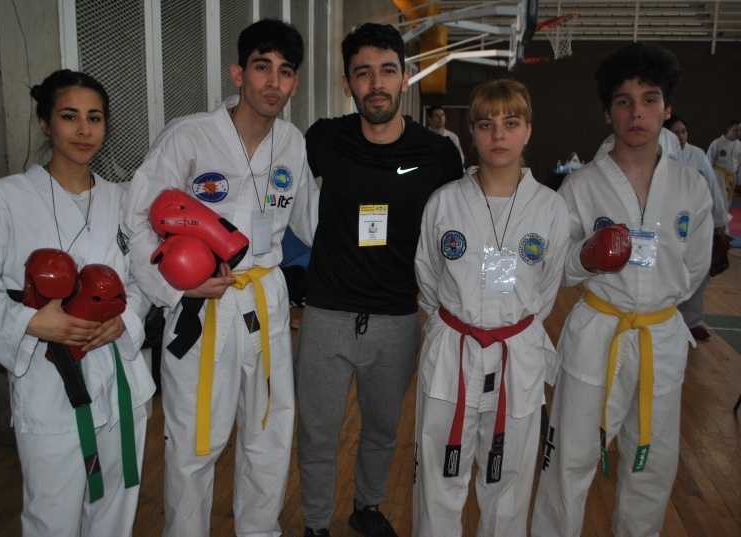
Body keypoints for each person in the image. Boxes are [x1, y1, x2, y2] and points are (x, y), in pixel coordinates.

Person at [123, 19, 318, 537]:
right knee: (193, 438)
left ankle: (260, 530)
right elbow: (137, 217)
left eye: (285, 72)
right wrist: (173, 287)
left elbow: (312, 224)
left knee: (269, 431)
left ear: (295, 84)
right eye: (262, 68)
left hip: (267, 298)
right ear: (238, 73)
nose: (273, 82)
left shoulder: (293, 144)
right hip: (204, 303)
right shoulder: (190, 135)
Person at [0, 69, 156, 537]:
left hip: (119, 378)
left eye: (95, 118)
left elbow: (143, 280)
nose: (85, 130)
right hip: (50, 384)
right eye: (70, 117)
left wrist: (127, 319)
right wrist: (29, 321)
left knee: (115, 513)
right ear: (45, 123)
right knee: (52, 517)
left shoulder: (121, 200)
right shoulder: (8, 198)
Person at [531, 42, 713, 537]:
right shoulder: (581, 185)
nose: (637, 113)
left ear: (667, 109)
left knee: (652, 461)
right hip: (597, 332)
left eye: (650, 100)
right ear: (607, 112)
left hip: (660, 335)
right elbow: (559, 269)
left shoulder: (692, 187)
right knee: (570, 455)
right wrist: (586, 256)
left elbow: (692, 269)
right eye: (624, 101)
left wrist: (652, 299)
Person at [294, 22, 463, 537]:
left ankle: (367, 506)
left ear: (405, 77)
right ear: (347, 84)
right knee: (318, 433)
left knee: (383, 430)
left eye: (387, 70)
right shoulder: (323, 139)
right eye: (363, 73)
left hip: (395, 317)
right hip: (325, 314)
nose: (376, 84)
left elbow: (451, 236)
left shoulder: (438, 154)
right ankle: (316, 523)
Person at [412, 79, 569, 536]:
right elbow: (427, 277)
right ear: (473, 132)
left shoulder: (551, 209)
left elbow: (546, 289)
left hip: (515, 356)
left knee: (509, 483)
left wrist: (507, 326)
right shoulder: (444, 203)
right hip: (452, 355)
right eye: (486, 124)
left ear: (528, 131)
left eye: (511, 123)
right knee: (440, 479)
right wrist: (456, 324)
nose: (498, 135)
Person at [665, 114, 732, 340]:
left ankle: (692, 321)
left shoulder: (698, 155)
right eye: (676, 133)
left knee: (699, 271)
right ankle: (665, 317)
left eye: (684, 131)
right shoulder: (659, 155)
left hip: (698, 222)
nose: (681, 136)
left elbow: (713, 189)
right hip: (668, 223)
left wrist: (721, 223)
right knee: (670, 270)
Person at [706, 119, 741, 210]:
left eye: (740, 130)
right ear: (729, 129)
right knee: (718, 200)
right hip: (718, 176)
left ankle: (724, 222)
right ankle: (716, 222)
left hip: (731, 177)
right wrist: (708, 178)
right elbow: (708, 161)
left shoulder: (739, 145)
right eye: (735, 130)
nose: (738, 133)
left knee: (728, 200)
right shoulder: (717, 143)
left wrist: (739, 180)